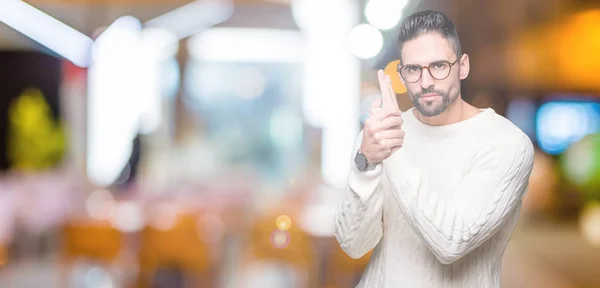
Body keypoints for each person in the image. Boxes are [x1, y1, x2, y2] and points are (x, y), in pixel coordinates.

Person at [333, 10, 534, 288]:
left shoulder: (507, 143)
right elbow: (353, 245)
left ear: (462, 66)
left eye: (438, 66)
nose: (425, 82)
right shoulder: (378, 135)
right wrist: (364, 164)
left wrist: (394, 150)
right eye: (413, 69)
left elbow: (452, 242)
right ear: (402, 75)